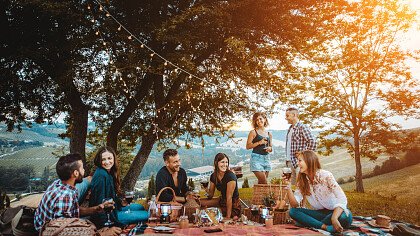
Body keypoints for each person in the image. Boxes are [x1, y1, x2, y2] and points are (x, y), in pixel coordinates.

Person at [34, 153, 121, 236]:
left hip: (56, 224)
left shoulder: (60, 184)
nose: (84, 170)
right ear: (76, 173)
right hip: (50, 231)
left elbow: (73, 210)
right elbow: (63, 232)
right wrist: (100, 234)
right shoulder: (65, 196)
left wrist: (96, 209)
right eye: (82, 168)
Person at [283, 150, 353, 233]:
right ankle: (324, 227)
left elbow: (342, 198)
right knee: (293, 212)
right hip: (320, 214)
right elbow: (294, 204)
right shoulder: (302, 180)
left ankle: (309, 222)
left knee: (345, 217)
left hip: (337, 212)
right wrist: (288, 186)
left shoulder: (326, 175)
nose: (297, 163)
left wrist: (334, 218)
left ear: (309, 161)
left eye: (300, 160)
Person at [89, 146, 147, 228]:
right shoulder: (101, 176)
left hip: (114, 209)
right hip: (109, 217)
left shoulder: (108, 173)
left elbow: (110, 197)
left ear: (114, 159)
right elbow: (99, 203)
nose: (107, 162)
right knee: (147, 214)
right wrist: (105, 226)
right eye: (103, 159)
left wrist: (122, 203)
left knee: (140, 207)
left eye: (109, 158)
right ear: (99, 161)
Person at [200, 153, 241, 219]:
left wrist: (228, 217)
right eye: (222, 162)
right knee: (199, 202)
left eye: (226, 162)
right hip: (222, 200)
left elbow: (229, 198)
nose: (225, 165)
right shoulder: (213, 176)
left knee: (210, 212)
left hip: (233, 205)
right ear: (216, 163)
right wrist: (205, 188)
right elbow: (210, 195)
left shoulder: (230, 176)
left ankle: (224, 214)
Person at [285, 107, 316, 184]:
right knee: (293, 187)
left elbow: (312, 141)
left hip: (299, 163)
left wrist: (305, 156)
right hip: (290, 162)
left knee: (302, 186)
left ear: (294, 115)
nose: (286, 118)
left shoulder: (302, 127)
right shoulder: (290, 129)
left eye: (287, 116)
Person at [246, 112, 272, 184]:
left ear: (265, 119)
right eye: (256, 120)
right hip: (256, 159)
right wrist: (259, 142)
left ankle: (260, 195)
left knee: (262, 183)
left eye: (260, 119)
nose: (259, 121)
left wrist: (270, 149)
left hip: (266, 158)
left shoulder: (269, 134)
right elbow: (248, 146)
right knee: (264, 181)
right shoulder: (253, 132)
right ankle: (266, 195)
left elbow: (271, 147)